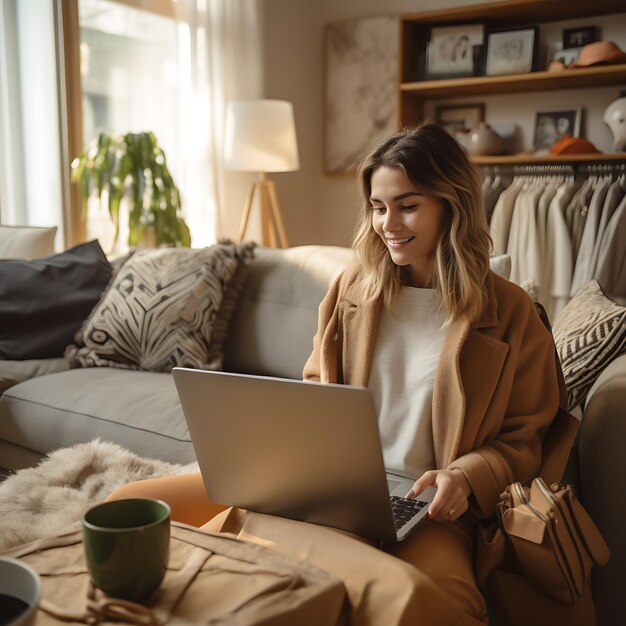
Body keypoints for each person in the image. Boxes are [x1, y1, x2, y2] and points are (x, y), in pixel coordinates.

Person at [108, 124, 571, 624]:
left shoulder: (510, 313)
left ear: (450, 204)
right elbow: (316, 390)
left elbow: (526, 440)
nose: (388, 223)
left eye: (408, 205)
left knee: (443, 606)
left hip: (430, 508)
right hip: (328, 483)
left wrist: (465, 476)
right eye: (378, 207)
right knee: (125, 507)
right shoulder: (352, 290)